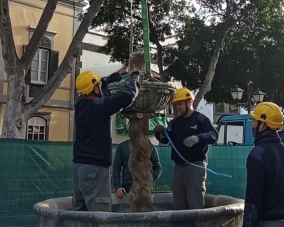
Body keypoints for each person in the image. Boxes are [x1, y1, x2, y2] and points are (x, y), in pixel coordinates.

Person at [72, 70, 140, 212]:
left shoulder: (79, 104)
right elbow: (127, 97)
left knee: (79, 216)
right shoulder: (100, 106)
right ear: (95, 89)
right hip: (95, 170)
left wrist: (113, 76)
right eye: (97, 85)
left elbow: (99, 83)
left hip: (79, 169)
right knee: (99, 216)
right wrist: (135, 80)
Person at [154, 88, 217, 210]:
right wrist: (159, 133)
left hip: (195, 166)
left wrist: (198, 138)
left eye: (180, 104)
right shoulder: (175, 122)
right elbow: (166, 140)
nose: (178, 107)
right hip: (179, 167)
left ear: (189, 102)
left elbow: (214, 135)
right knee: (179, 203)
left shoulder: (200, 119)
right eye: (176, 105)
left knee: (195, 201)